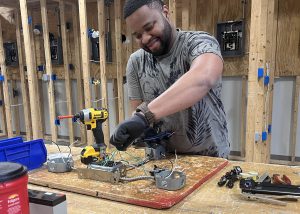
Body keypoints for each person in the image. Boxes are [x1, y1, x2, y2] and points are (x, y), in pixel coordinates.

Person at [109, 0, 230, 158]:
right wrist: (141, 130)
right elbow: (139, 109)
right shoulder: (136, 62)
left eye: (149, 27)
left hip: (211, 157)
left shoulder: (199, 43)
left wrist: (144, 116)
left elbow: (203, 78)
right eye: (138, 35)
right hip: (165, 159)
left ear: (165, 13)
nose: (145, 39)